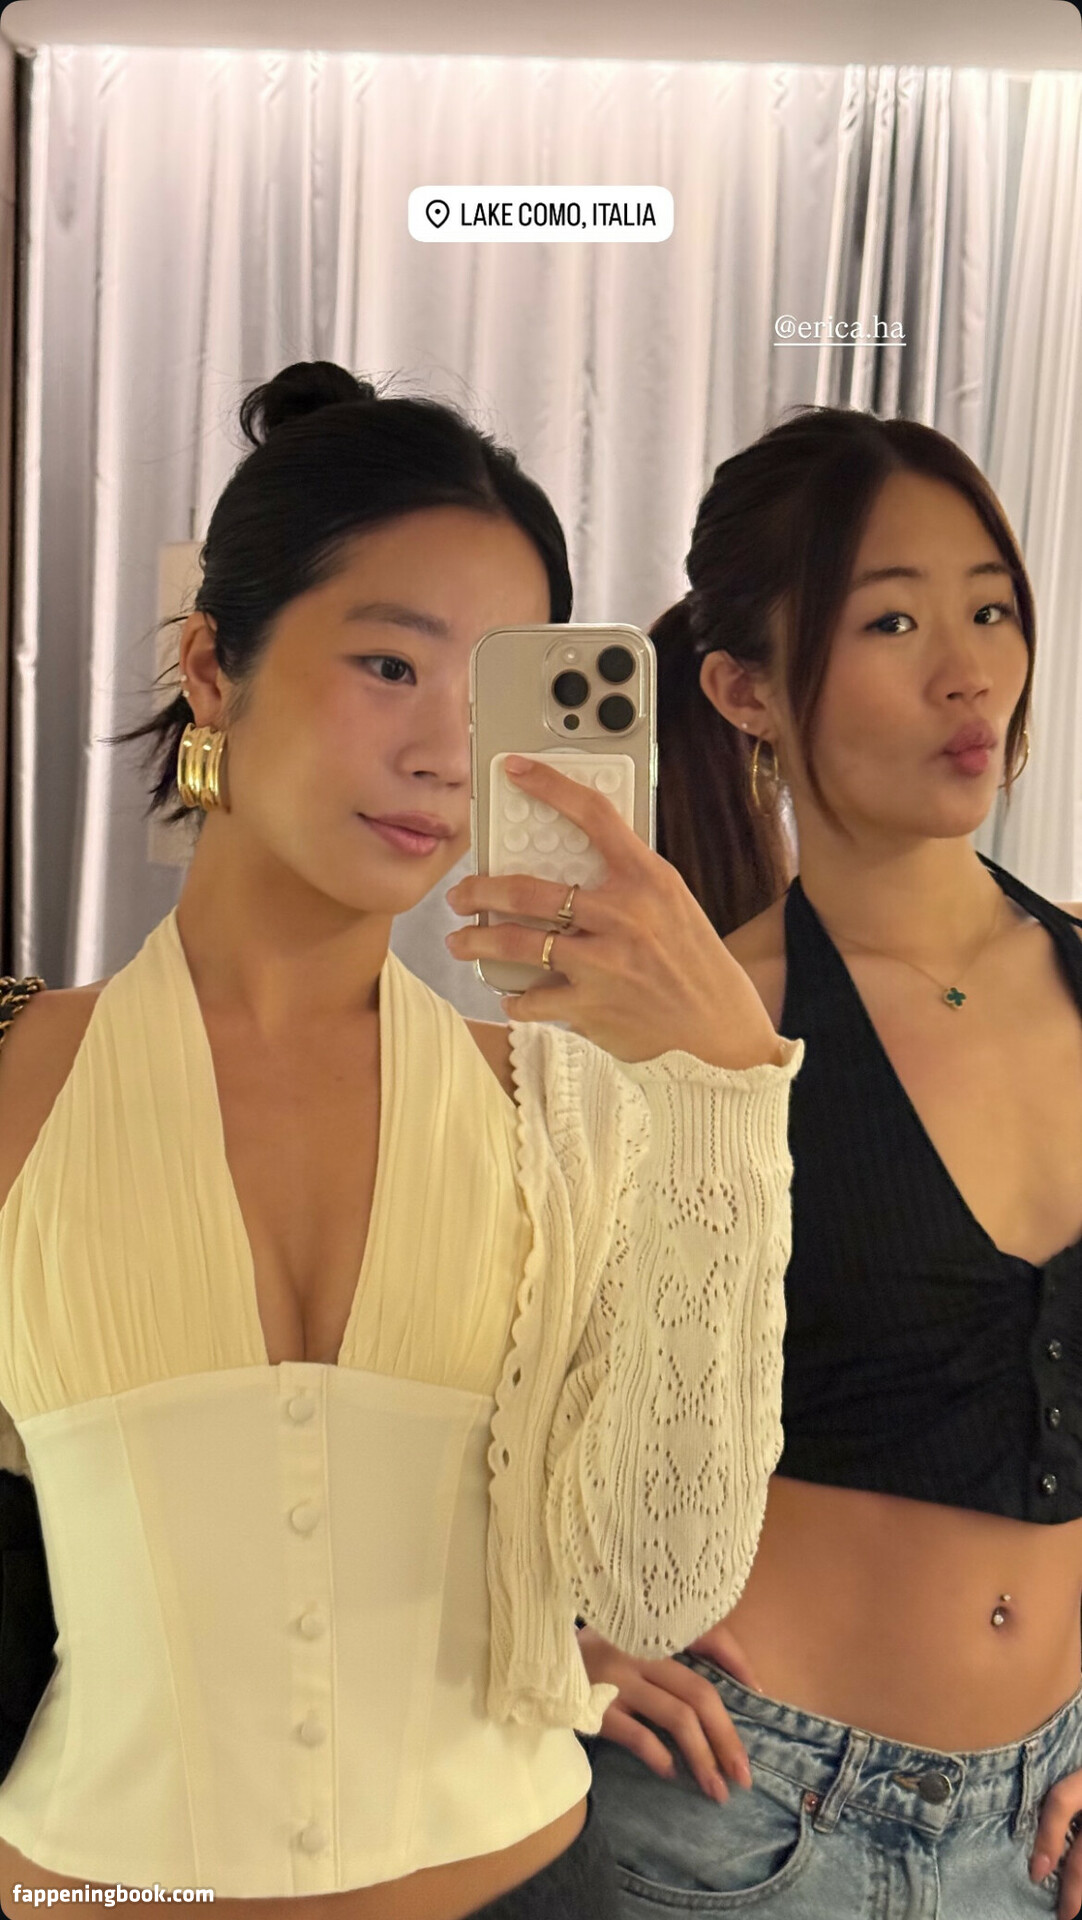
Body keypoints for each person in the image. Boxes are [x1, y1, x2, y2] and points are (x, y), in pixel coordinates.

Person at [0, 362, 799, 1920]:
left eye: (493, 696)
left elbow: (655, 1585)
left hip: (524, 1882)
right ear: (211, 667)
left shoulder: (558, 1103)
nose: (444, 752)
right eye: (388, 666)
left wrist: (720, 1088)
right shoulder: (19, 1070)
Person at [582, 407, 1082, 1920]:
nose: (968, 672)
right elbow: (493, 1402)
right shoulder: (687, 1027)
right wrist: (559, 1640)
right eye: (892, 621)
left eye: (990, 609)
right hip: (740, 1820)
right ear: (743, 688)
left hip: (1036, 1829)